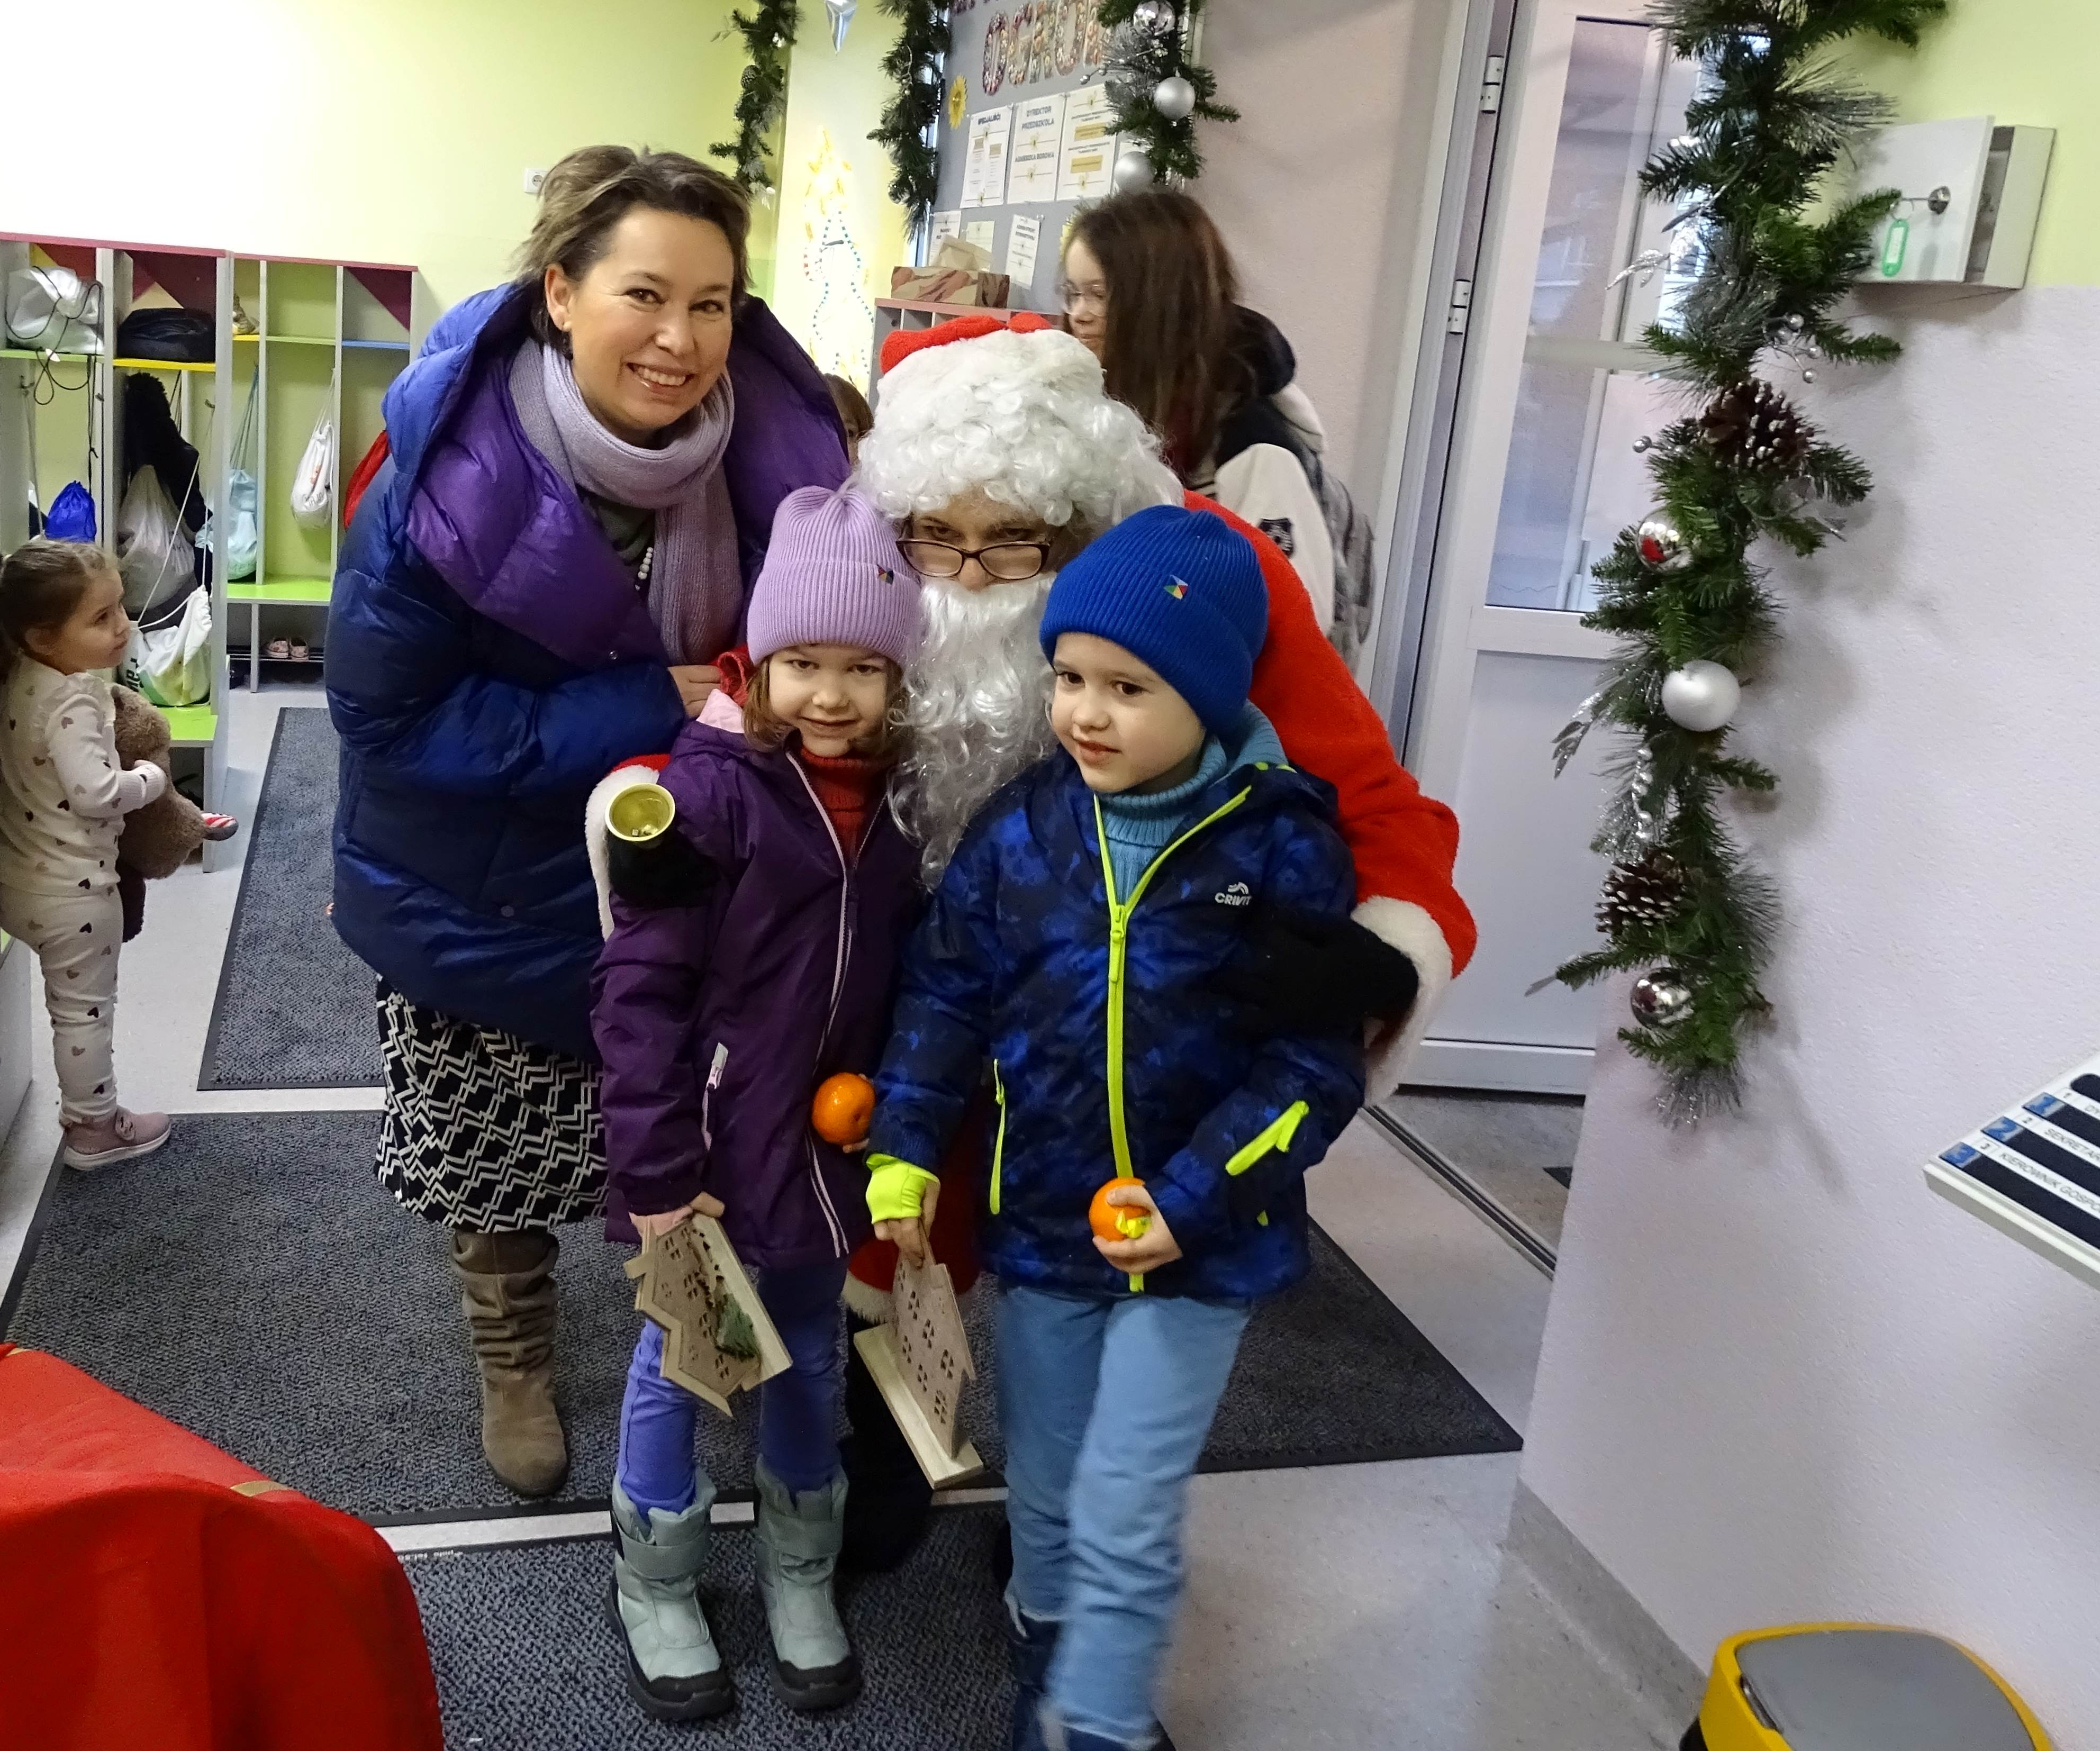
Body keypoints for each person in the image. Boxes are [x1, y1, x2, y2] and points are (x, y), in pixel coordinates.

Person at [829, 313, 1471, 1572]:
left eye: (1014, 538)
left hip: (1134, 984)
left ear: (1080, 523)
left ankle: (1062, 1516)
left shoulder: (1196, 578)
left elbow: (1372, 797)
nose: (969, 576)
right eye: (937, 536)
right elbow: (758, 684)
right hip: (901, 953)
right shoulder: (863, 558)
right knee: (888, 1194)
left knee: (1085, 1248)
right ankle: (885, 1432)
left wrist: (1383, 952)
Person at [324, 147, 849, 1496]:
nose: (680, 339)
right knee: (497, 1144)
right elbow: (389, 720)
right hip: (488, 884)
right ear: (560, 293)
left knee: (680, 1126)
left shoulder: (777, 458)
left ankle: (682, 1338)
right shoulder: (448, 473)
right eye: (643, 295)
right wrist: (642, 703)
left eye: (712, 303)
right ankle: (512, 1349)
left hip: (687, 871)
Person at [866, 505, 1367, 1751]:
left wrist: (1191, 1201)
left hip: (1203, 1248)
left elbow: (1311, 1065)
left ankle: (1096, 1722)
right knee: (1044, 1483)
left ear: (1209, 694)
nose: (1087, 713)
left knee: (1128, 1500)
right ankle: (1047, 1637)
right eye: (1071, 679)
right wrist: (906, 1143)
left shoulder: (1283, 844)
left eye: (1127, 688)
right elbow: (944, 995)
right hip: (1044, 1224)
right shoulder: (1020, 830)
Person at [589, 486, 925, 1723]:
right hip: (713, 1152)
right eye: (803, 663)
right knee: (690, 1361)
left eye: (861, 668)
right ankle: (657, 1575)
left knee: (808, 1352)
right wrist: (658, 1165)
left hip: (829, 1154)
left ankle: (799, 1566)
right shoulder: (711, 795)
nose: (831, 695)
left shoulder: (902, 809)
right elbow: (636, 993)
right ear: (762, 664)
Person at [1060, 189, 1375, 659]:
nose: (1079, 315)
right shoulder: (1112, 412)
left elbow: (1287, 622)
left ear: (1160, 303)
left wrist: (1151, 590)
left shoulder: (1251, 444)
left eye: (1100, 295)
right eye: (1072, 293)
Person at [0, 539, 176, 1171]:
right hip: (76, 895)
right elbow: (96, 793)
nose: (123, 626)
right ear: (42, 636)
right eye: (101, 618)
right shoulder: (73, 699)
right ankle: (94, 1128)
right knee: (84, 1015)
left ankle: (89, 1117)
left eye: (121, 608)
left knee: (72, 1010)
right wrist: (151, 779)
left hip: (20, 879)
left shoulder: (24, 678)